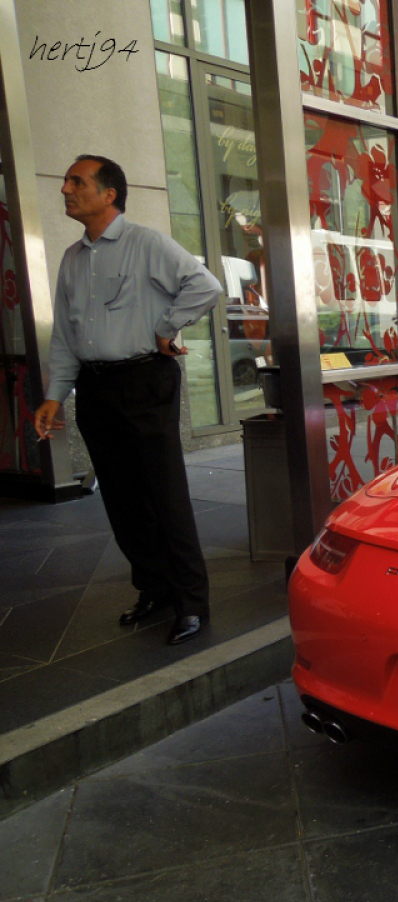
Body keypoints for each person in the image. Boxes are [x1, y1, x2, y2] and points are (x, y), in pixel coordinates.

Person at [34, 155, 223, 646]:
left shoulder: (146, 243)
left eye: (77, 181)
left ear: (108, 193)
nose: (65, 189)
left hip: (143, 381)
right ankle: (154, 589)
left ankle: (191, 603)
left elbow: (204, 286)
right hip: (95, 388)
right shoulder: (73, 259)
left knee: (164, 494)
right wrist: (56, 395)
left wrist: (166, 327)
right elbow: (64, 335)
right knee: (121, 499)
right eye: (67, 180)